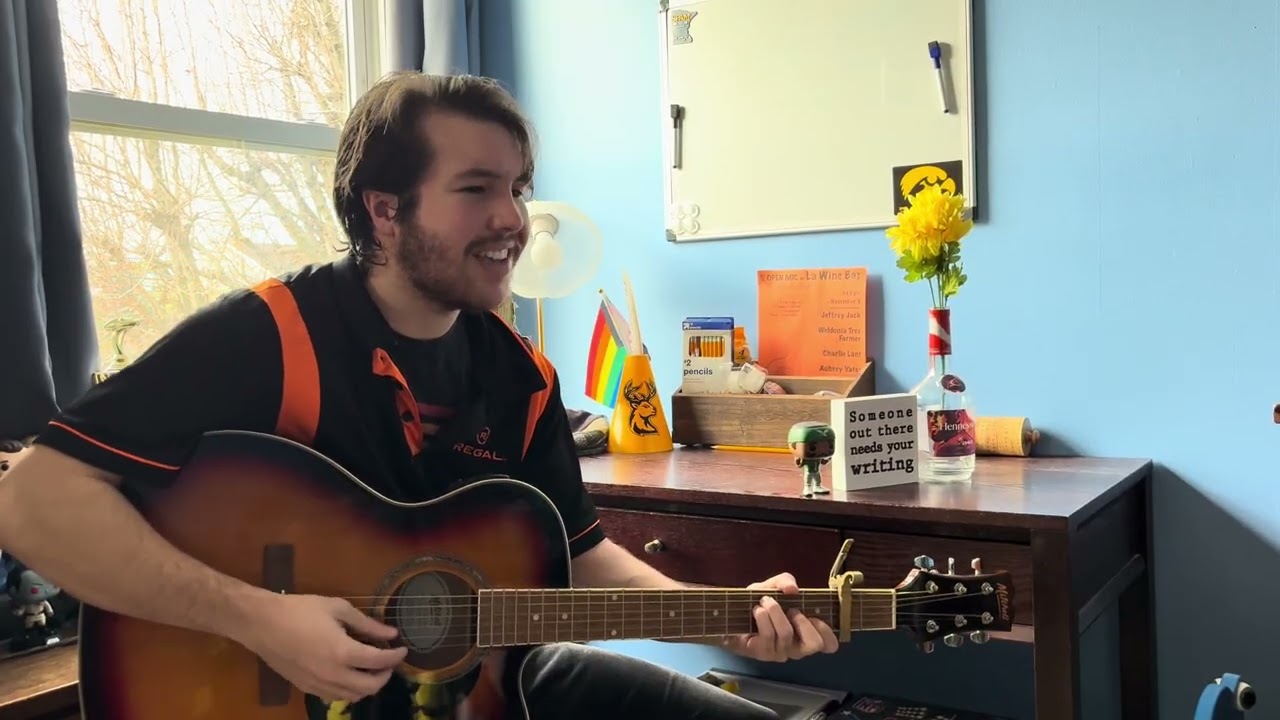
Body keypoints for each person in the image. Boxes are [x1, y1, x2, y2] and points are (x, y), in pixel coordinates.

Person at [0, 72, 838, 719]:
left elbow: (578, 557)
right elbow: (35, 497)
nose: (514, 219)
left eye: (519, 187)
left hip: (476, 682)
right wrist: (258, 618)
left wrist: (719, 618)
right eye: (477, 189)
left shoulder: (523, 376)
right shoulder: (270, 335)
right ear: (385, 208)